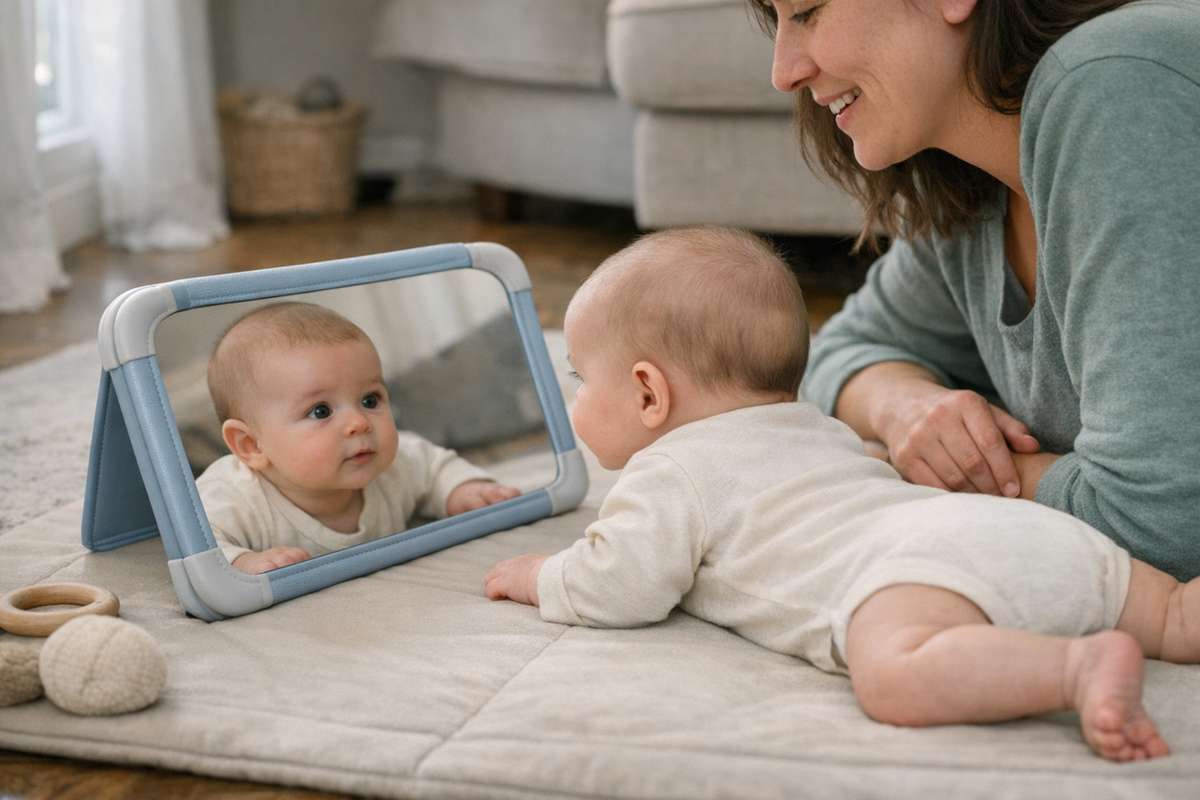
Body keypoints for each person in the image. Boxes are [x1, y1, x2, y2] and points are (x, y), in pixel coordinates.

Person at [483, 227, 1200, 761]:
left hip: (914, 579)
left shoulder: (669, 473)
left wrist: (542, 575)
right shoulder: (819, 428)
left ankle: (1075, 668)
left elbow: (621, 584)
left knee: (891, 673)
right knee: (1171, 614)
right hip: (1012, 529)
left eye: (581, 378)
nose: (575, 399)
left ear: (648, 392)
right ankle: (1176, 612)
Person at [750, 0, 1200, 580]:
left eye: (808, 11)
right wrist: (906, 409)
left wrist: (956, 473)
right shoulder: (977, 179)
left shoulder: (1117, 85)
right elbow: (836, 352)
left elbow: (1164, 529)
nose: (784, 73)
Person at [197, 302, 520, 574]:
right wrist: (242, 562)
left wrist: (464, 491)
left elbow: (435, 468)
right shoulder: (232, 496)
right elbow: (194, 542)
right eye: (321, 411)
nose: (359, 423)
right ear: (251, 445)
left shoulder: (393, 466)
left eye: (370, 400)